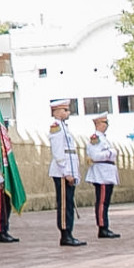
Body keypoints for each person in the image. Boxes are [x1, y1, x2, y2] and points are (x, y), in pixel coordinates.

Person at [48, 101, 84, 247]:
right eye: (65, 110)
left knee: (69, 203)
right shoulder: (56, 127)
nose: (67, 113)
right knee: (64, 204)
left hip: (69, 170)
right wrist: (66, 171)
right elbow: (58, 152)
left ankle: (69, 232)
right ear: (56, 111)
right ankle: (65, 233)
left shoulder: (64, 127)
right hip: (62, 171)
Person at [85, 114, 120, 238]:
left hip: (107, 172)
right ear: (98, 124)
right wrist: (111, 153)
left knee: (106, 202)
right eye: (104, 123)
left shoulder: (104, 139)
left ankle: (105, 226)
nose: (106, 125)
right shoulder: (96, 139)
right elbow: (95, 156)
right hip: (101, 173)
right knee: (102, 202)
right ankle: (102, 227)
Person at [0, 135, 18, 243]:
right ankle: (0, 230)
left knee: (7, 206)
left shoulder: (5, 141)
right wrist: (0, 178)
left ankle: (5, 229)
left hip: (6, 180)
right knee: (1, 206)